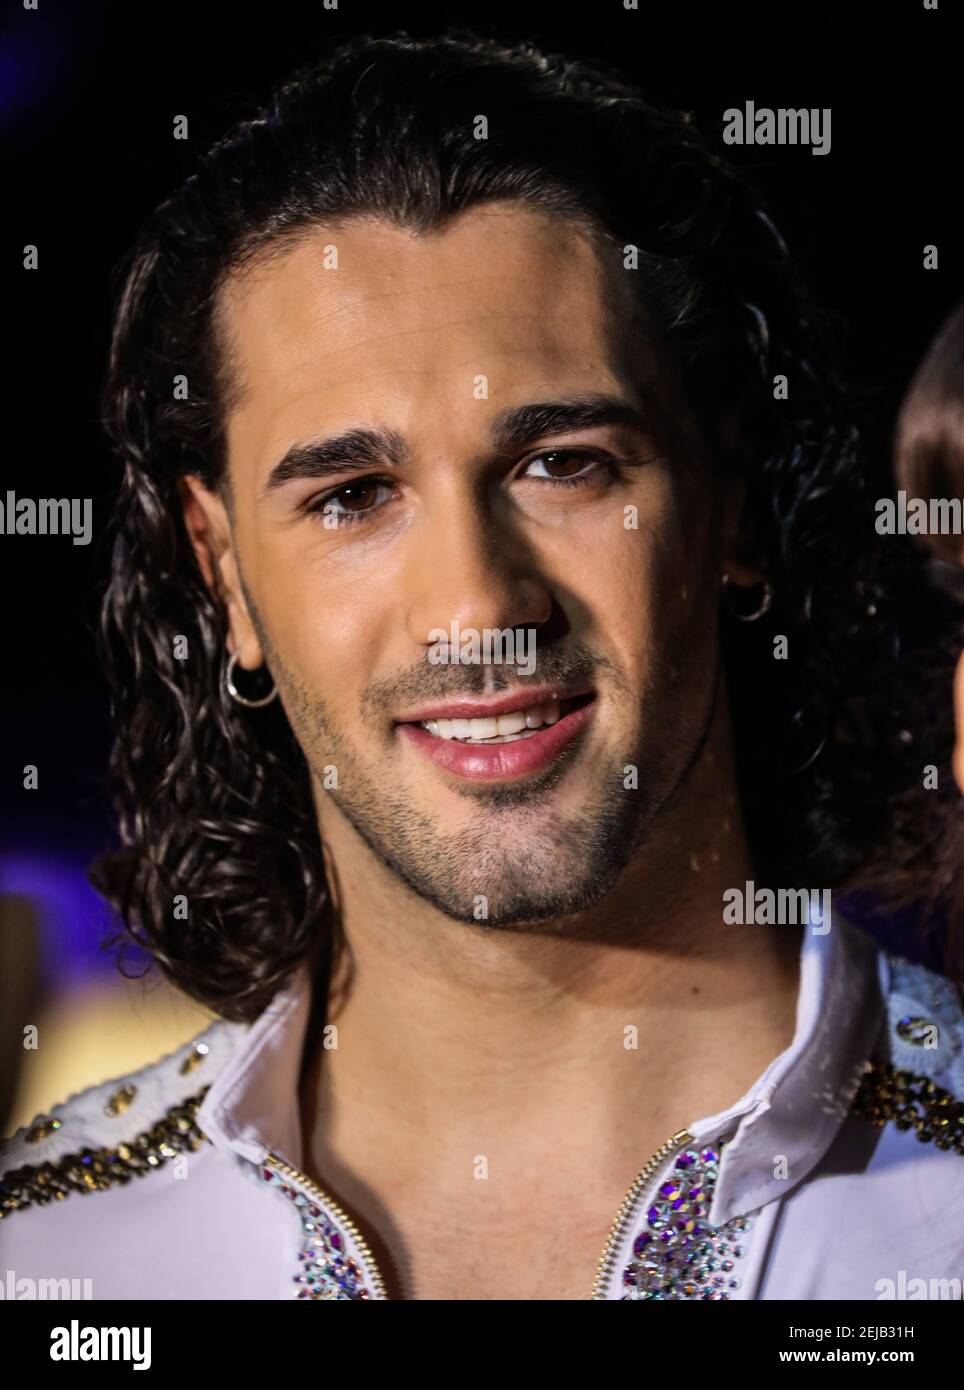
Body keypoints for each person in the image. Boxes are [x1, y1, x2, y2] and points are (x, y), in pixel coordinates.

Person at [2, 31, 962, 1302]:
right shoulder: (43, 1262)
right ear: (223, 572)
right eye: (351, 497)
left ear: (730, 504)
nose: (475, 605)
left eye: (563, 463)